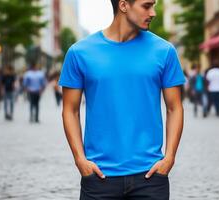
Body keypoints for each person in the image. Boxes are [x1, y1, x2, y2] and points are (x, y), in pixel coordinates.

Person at [59, 0, 185, 199]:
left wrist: (169, 158)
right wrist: (80, 160)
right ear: (124, 5)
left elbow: (174, 108)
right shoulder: (79, 53)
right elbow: (70, 110)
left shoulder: (165, 51)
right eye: (146, 5)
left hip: (150, 178)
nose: (153, 12)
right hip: (99, 179)